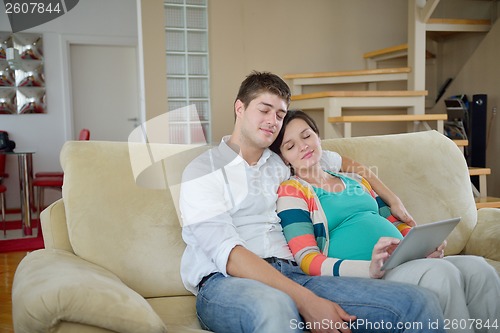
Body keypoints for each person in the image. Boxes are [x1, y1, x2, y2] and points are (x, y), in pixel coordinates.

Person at [179, 71, 445, 333]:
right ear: (240, 108)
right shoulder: (202, 171)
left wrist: (392, 198)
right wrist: (306, 302)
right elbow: (230, 257)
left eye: (280, 115)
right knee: (277, 307)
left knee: (416, 303)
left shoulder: (284, 161)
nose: (273, 121)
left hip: (296, 274)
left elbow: (346, 164)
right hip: (227, 282)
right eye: (264, 110)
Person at [271, 109, 500, 333]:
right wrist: (368, 268)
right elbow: (307, 259)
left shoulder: (356, 180)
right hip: (368, 274)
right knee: (441, 275)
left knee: (479, 270)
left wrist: (421, 244)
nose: (303, 146)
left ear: (318, 136)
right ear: (284, 158)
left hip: (402, 260)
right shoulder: (293, 192)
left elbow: (392, 221)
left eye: (307, 135)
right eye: (290, 146)